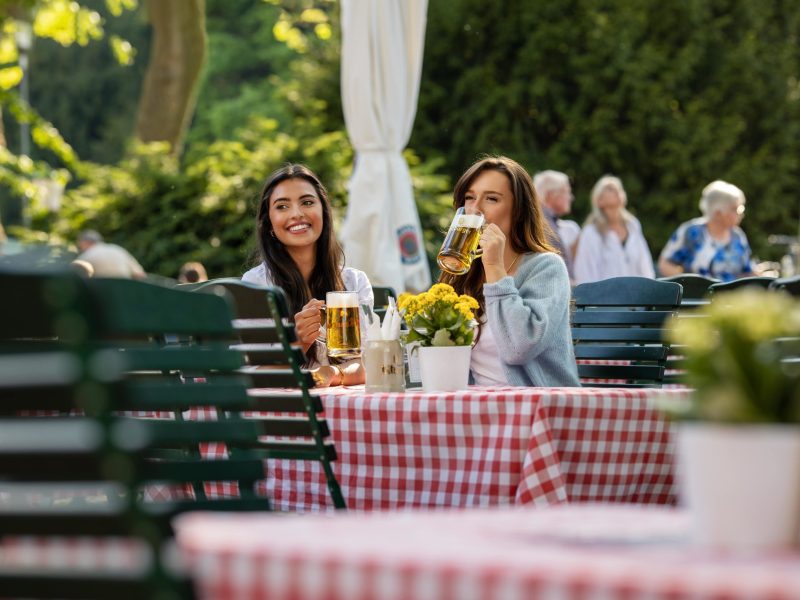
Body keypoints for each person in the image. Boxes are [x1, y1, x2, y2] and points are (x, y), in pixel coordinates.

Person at [439, 156, 580, 387]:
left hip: (537, 408)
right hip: (475, 409)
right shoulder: (465, 273)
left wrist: (495, 268)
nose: (475, 210)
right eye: (469, 198)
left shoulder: (546, 268)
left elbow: (519, 347)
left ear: (519, 210)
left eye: (492, 199)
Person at [242, 164, 373, 386]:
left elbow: (367, 363)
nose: (297, 214)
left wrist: (332, 373)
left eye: (307, 202)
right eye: (282, 206)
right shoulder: (256, 286)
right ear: (270, 224)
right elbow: (254, 376)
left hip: (342, 411)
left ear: (324, 211)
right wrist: (298, 343)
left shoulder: (354, 281)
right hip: (283, 414)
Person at [658, 180, 756, 282]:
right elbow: (665, 264)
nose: (741, 213)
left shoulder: (738, 236)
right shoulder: (691, 232)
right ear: (718, 213)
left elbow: (747, 271)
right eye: (736, 209)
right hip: (697, 296)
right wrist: (688, 285)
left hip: (730, 296)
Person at [573, 175, 655, 284]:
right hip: (605, 298)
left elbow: (645, 264)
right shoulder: (591, 232)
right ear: (599, 200)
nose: (617, 190)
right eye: (610, 189)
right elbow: (584, 272)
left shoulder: (633, 225)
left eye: (619, 188)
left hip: (637, 297)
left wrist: (650, 292)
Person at [532, 170, 579, 278]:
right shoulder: (544, 224)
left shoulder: (545, 220)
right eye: (567, 192)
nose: (571, 197)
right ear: (551, 195)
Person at [76, 230, 146, 279]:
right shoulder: (117, 249)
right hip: (125, 292)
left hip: (101, 295)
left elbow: (76, 278)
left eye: (81, 244)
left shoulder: (85, 256)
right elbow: (140, 275)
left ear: (86, 242)